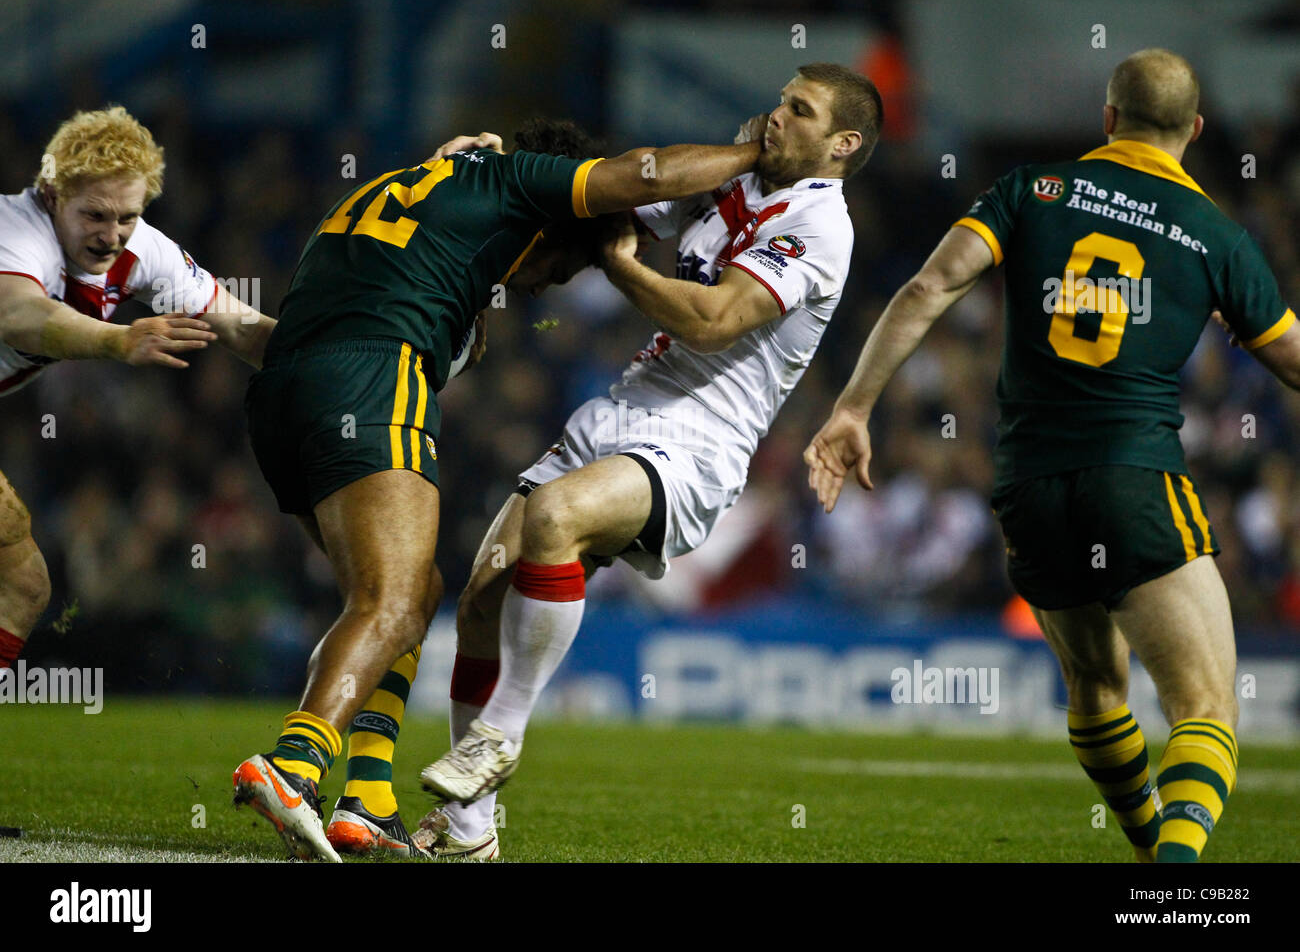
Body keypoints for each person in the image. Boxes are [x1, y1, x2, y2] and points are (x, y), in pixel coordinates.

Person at [804, 48, 1297, 863]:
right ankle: (1172, 891)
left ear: (1107, 120)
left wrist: (853, 407)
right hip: (1132, 477)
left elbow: (928, 287)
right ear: (1197, 131)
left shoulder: (1035, 190)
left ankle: (1145, 848)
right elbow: (1291, 359)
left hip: (1028, 488)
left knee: (1097, 688)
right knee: (1206, 711)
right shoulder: (1216, 232)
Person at [233, 117, 767, 862]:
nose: (545, 282)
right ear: (556, 220)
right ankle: (294, 767)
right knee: (387, 603)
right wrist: (754, 154)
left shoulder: (420, 180)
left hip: (280, 393)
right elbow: (646, 171)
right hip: (369, 377)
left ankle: (368, 799)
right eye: (560, 266)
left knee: (417, 592)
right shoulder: (518, 182)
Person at [405, 63, 881, 860]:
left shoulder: (823, 226)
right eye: (780, 98)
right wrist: (496, 173)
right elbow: (619, 196)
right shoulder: (736, 177)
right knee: (483, 590)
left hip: (699, 442)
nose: (776, 115)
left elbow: (713, 319)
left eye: (799, 111)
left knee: (556, 517)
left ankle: (501, 734)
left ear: (842, 143)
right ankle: (467, 833)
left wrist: (624, 266)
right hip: (623, 409)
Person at [0, 106, 275, 674]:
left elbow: (245, 330)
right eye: (94, 215)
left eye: (127, 215)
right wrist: (119, 341)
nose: (110, 235)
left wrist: (357, 357)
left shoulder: (143, 250)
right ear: (51, 193)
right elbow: (17, 314)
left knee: (24, 587)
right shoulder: (14, 230)